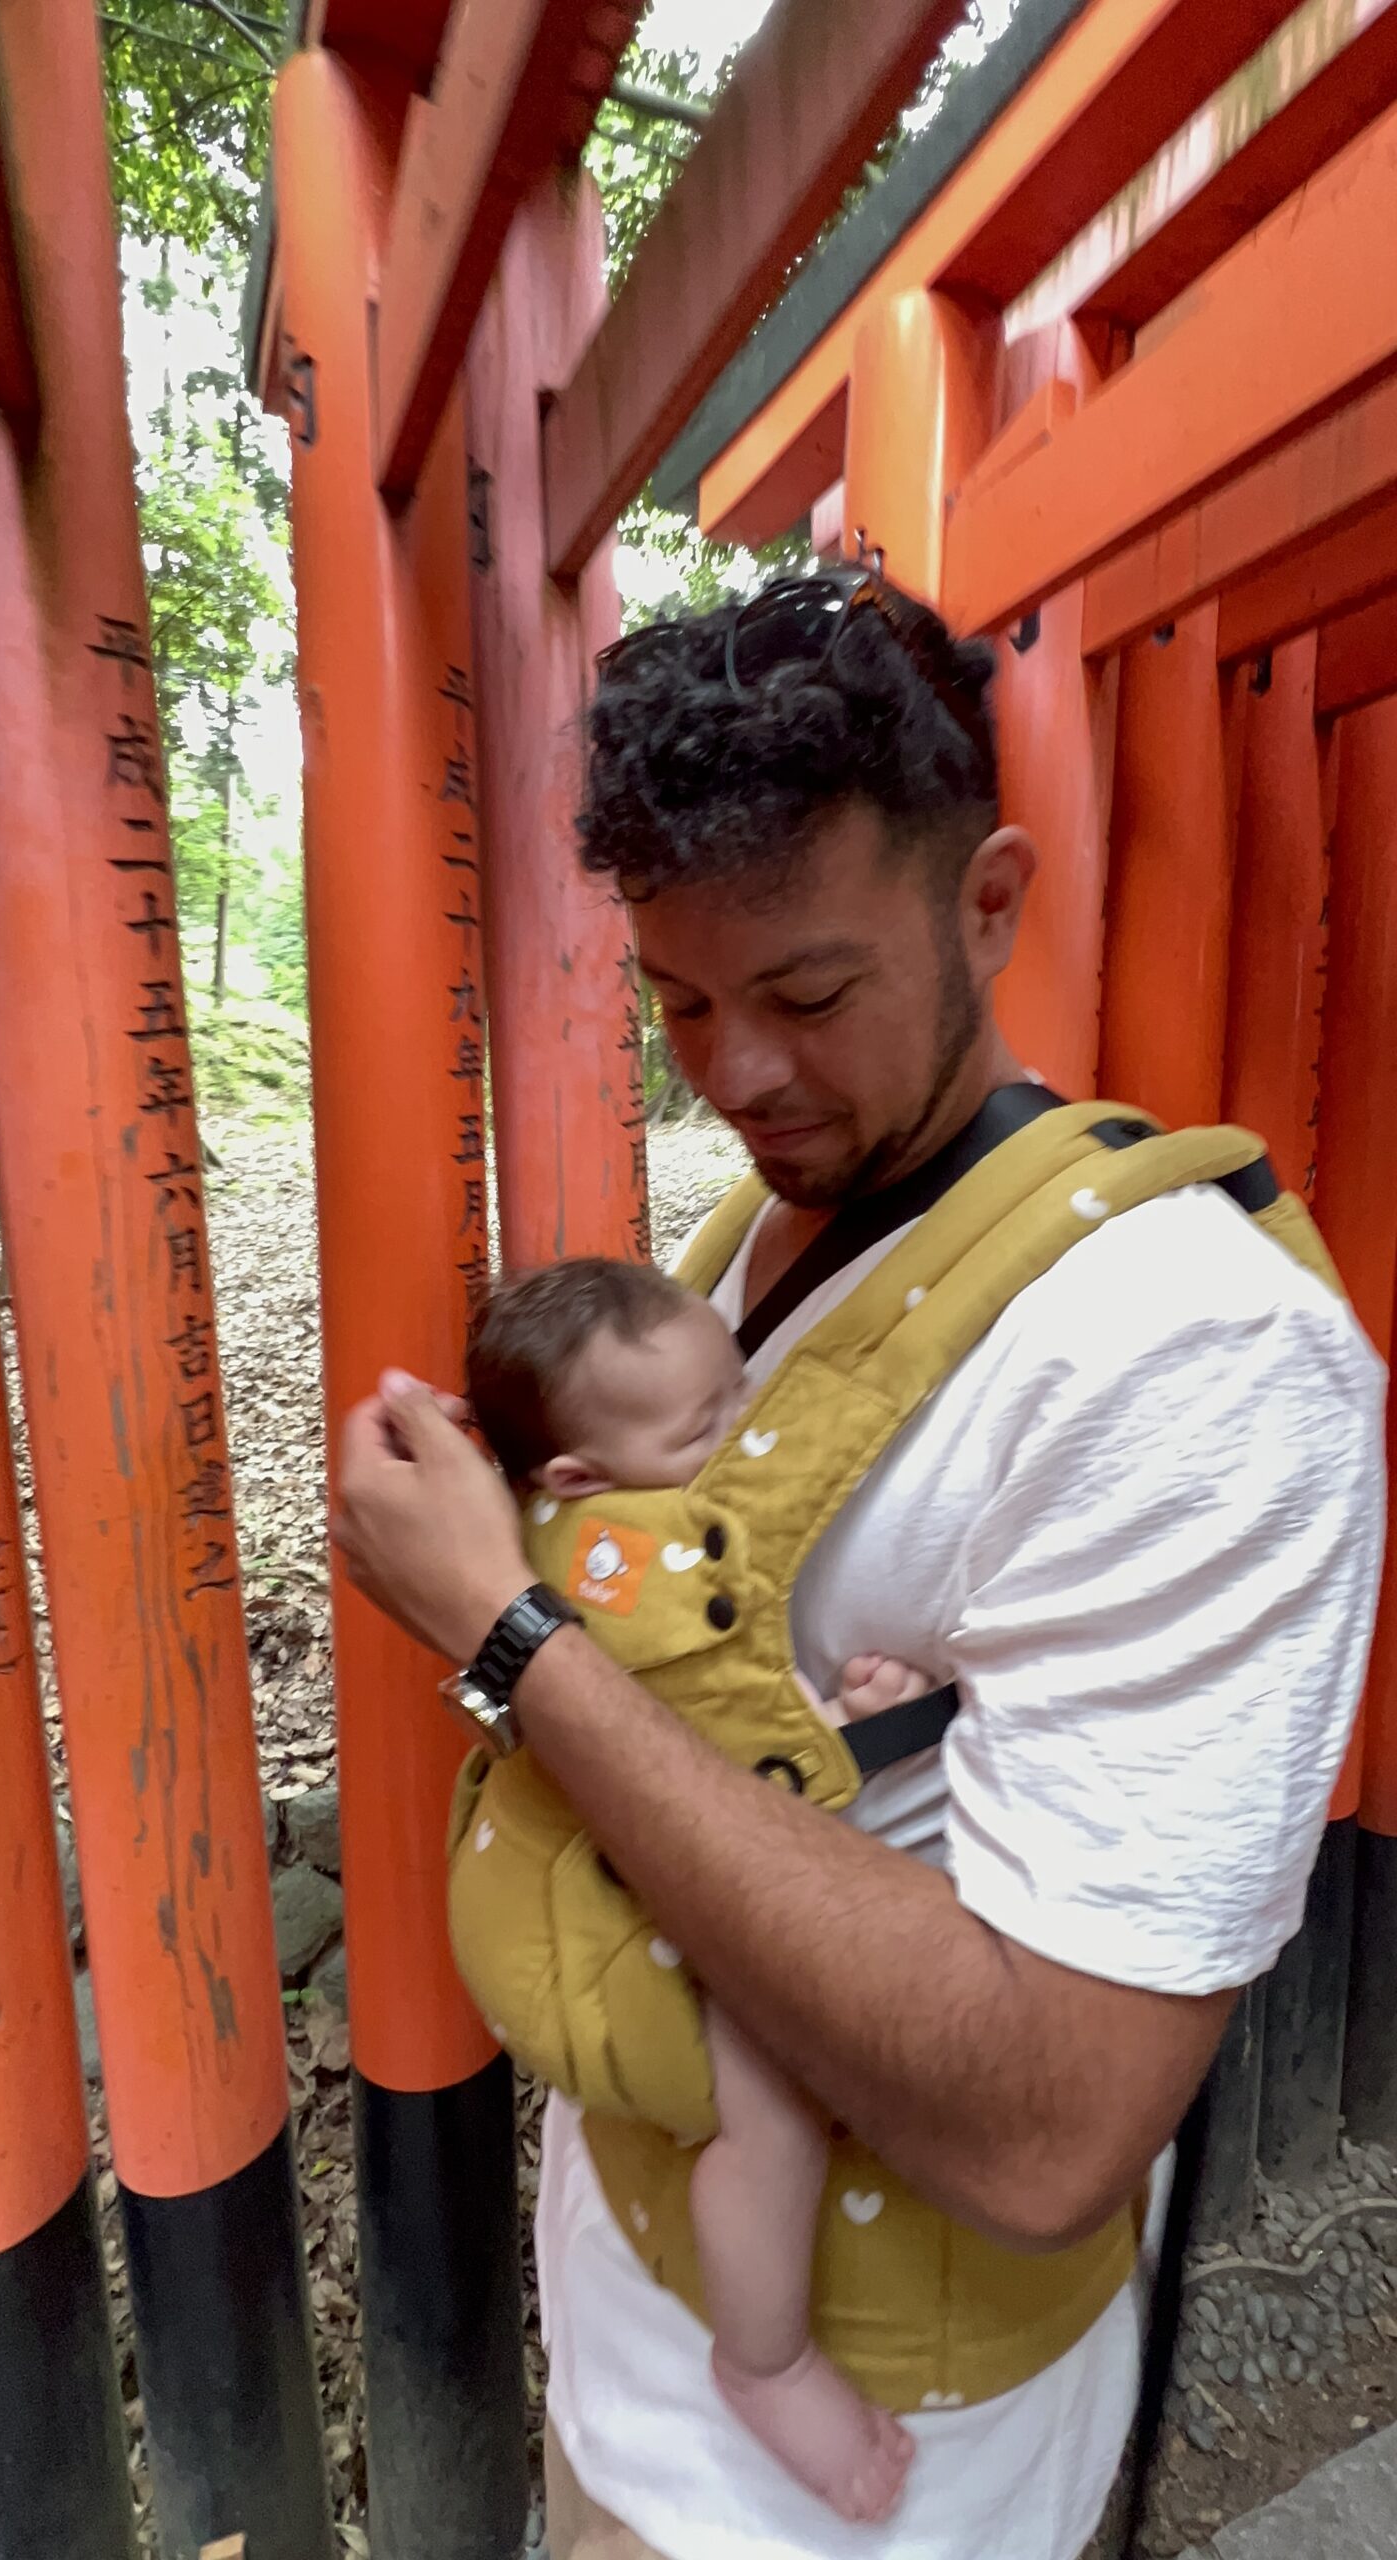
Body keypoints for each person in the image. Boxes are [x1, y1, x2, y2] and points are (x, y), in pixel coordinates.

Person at [336, 569, 1386, 2560]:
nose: (737, 1071)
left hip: (860, 2486)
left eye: (808, 996)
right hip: (633, 2314)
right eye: (680, 1001)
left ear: (987, 902)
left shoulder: (1189, 1357)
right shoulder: (769, 1223)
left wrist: (503, 1627)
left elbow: (1054, 2122)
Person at [465, 1256, 932, 2523]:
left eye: (740, 1388)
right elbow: (714, 1746)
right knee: (771, 2119)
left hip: (624, 1853)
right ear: (578, 1476)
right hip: (652, 1896)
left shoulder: (567, 1523)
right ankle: (765, 2358)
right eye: (702, 1426)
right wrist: (851, 1730)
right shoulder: (620, 1566)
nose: (741, 1429)